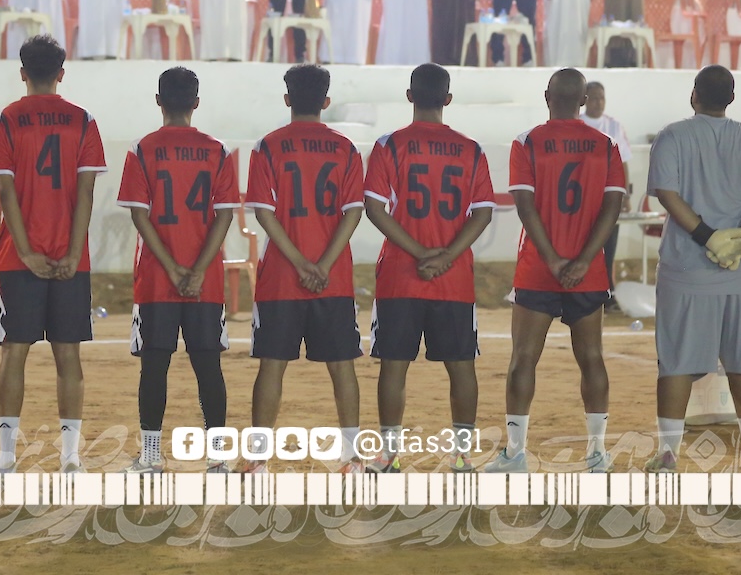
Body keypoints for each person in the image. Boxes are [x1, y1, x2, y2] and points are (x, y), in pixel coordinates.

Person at [645, 65, 741, 473]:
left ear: (694, 95)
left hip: (687, 267)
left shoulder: (672, 136)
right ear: (732, 98)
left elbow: (667, 194)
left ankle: (668, 453)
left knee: (676, 359)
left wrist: (707, 236)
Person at [485, 69, 625, 474]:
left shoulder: (527, 142)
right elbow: (612, 209)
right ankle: (596, 454)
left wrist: (551, 259)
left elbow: (524, 206)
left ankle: (516, 453)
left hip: (538, 269)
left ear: (547, 96)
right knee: (592, 358)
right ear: (583, 101)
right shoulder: (606, 145)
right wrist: (583, 260)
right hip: (588, 271)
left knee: (523, 359)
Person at [0, 35, 106, 474]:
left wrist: (28, 253)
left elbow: (6, 193)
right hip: (71, 258)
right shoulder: (83, 120)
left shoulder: (6, 120)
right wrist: (71, 253)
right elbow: (86, 193)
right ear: (61, 73)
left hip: (18, 259)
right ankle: (70, 458)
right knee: (68, 356)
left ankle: (6, 458)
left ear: (22, 72)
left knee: (14, 352)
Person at [362, 63, 495, 473]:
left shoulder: (389, 145)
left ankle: (388, 456)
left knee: (394, 366)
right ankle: (462, 457)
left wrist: (419, 253)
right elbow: (483, 213)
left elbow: (374, 208)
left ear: (410, 96)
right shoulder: (471, 149)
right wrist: (446, 256)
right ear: (448, 99)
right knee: (462, 368)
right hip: (453, 278)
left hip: (400, 275)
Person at [243, 65, 366, 474]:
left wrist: (299, 263)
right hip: (334, 278)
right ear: (326, 101)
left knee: (272, 365)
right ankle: (352, 457)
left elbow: (264, 212)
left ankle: (258, 459)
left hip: (281, 277)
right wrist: (323, 265)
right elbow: (353, 213)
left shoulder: (268, 146)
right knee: (342, 366)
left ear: (287, 99)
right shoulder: (346, 148)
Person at [117, 67, 239, 474]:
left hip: (156, 278)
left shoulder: (142, 149)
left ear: (159, 101)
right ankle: (218, 456)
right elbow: (224, 216)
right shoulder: (217, 150)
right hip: (206, 281)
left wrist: (171, 268)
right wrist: (197, 270)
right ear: (196, 103)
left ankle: (151, 456)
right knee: (208, 367)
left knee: (154, 366)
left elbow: (139, 215)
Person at [579, 82, 633, 304]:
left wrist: (625, 195)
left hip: (608, 198)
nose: (598, 102)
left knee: (608, 248)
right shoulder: (577, 123)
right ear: (585, 99)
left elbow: (623, 162)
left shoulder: (614, 126)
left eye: (602, 98)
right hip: (583, 198)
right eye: (594, 98)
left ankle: (607, 293)